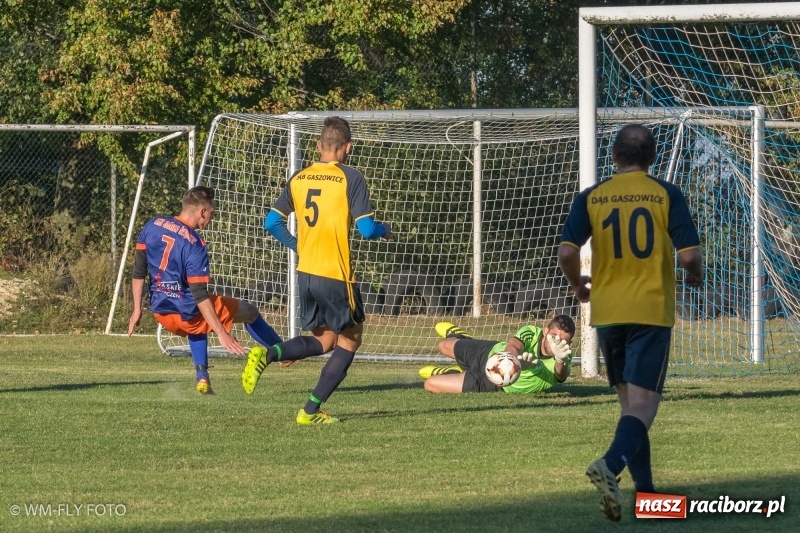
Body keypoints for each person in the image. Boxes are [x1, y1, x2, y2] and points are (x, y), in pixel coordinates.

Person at [557, 124, 703, 522]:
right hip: (650, 312)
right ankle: (609, 465)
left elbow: (567, 250)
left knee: (630, 409)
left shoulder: (592, 197)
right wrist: (696, 274)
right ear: (652, 158)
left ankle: (650, 500)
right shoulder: (666, 194)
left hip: (608, 313)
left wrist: (578, 286)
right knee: (643, 408)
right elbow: (689, 257)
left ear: (615, 157)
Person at [241, 116, 391, 425]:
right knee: (351, 340)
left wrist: (298, 245)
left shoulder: (299, 177)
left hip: (306, 273)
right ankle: (310, 410)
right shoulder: (351, 177)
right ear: (347, 147)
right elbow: (365, 229)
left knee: (325, 342)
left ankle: (268, 354)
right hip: (335, 273)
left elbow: (271, 223)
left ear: (319, 145)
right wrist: (384, 230)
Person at [128, 186, 282, 395]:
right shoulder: (194, 244)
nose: (212, 218)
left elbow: (138, 271)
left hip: (161, 311)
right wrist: (222, 333)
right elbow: (199, 294)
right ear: (202, 211)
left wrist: (137, 308)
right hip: (186, 310)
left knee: (196, 320)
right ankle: (285, 352)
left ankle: (202, 378)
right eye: (212, 212)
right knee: (250, 312)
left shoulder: (153, 224)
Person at [419, 316, 575, 394]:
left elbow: (561, 375)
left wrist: (561, 359)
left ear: (570, 343)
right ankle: (461, 337)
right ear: (545, 331)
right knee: (443, 345)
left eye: (563, 340)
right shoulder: (532, 333)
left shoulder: (563, 357)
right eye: (553, 336)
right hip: (490, 352)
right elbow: (513, 345)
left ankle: (452, 372)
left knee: (430, 383)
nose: (556, 343)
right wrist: (515, 362)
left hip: (494, 383)